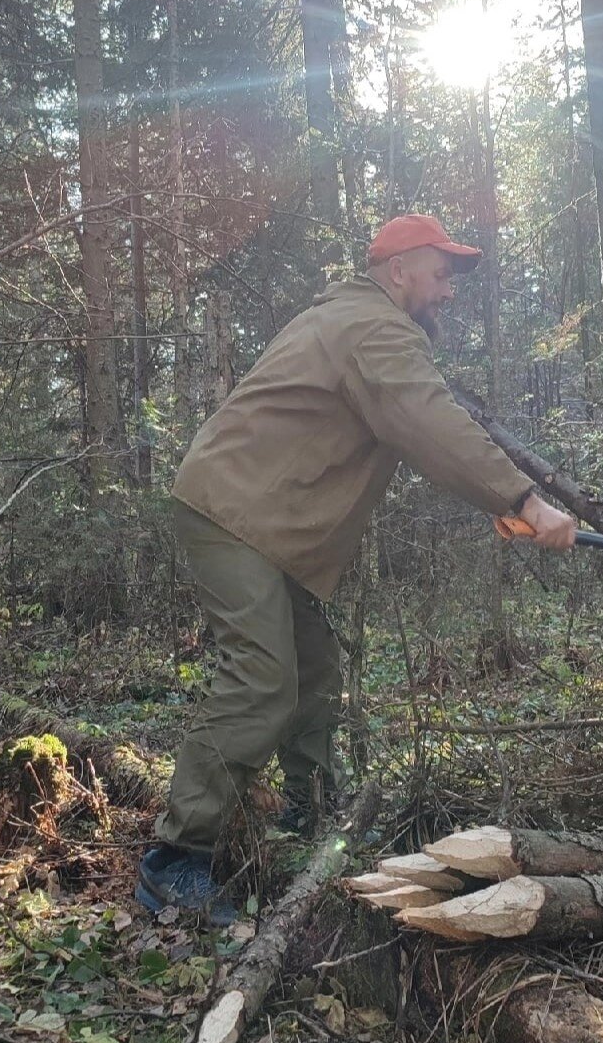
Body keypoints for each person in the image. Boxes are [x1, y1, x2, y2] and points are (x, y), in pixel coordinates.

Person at [136, 214, 576, 924]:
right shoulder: (373, 327)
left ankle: (303, 819)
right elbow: (429, 420)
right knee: (261, 678)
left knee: (314, 668)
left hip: (260, 517)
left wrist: (498, 498)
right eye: (440, 274)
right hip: (233, 510)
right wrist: (525, 495)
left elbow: (413, 423)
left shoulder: (359, 321)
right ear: (398, 269)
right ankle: (175, 860)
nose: (449, 291)